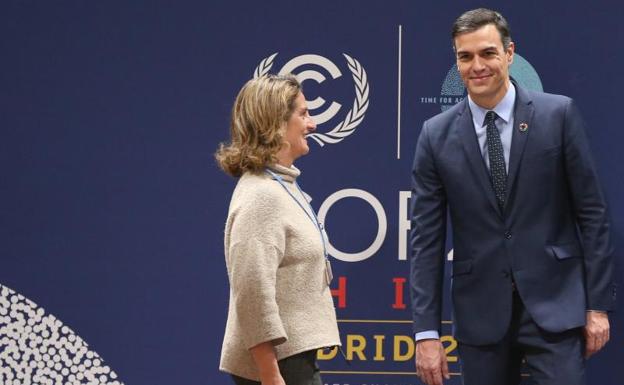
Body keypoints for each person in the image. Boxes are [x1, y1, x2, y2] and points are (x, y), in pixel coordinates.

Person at [409, 8, 615, 385]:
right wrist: (426, 334)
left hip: (556, 307)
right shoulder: (434, 135)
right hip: (481, 315)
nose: (477, 66)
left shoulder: (558, 114)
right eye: (465, 56)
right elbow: (425, 242)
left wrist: (598, 305)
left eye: (487, 53)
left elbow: (593, 215)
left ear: (509, 53)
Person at [215, 74, 341, 385]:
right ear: (275, 123)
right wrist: (270, 374)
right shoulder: (261, 196)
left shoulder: (282, 185)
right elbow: (252, 292)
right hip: (279, 366)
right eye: (303, 114)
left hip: (291, 359)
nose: (312, 124)